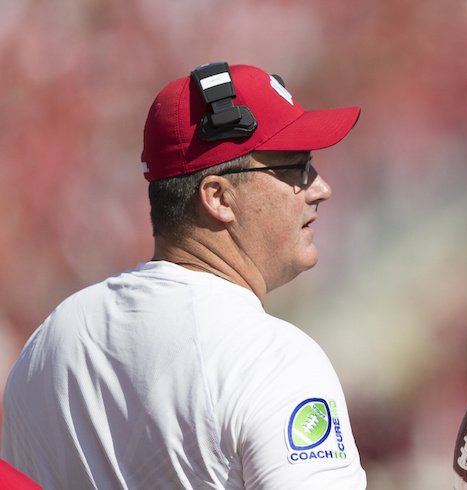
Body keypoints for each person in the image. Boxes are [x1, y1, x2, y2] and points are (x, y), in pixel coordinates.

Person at [1, 62, 367, 489]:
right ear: (218, 197)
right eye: (296, 167)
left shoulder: (49, 342)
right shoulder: (272, 360)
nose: (320, 188)